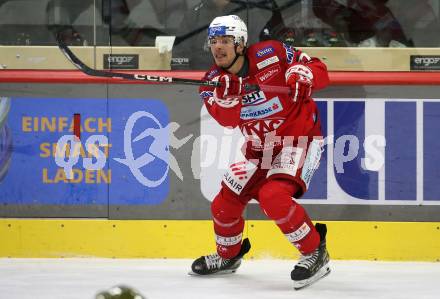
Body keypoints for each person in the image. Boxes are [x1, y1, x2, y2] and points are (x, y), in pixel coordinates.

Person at [192, 14, 331, 289]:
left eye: (226, 41)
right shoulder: (212, 82)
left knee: (273, 196)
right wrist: (229, 97)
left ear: (241, 44)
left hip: (299, 140)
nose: (218, 47)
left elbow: (320, 70)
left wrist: (305, 74)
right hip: (259, 149)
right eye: (214, 41)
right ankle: (228, 257)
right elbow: (228, 120)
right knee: (224, 203)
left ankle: (316, 252)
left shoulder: (273, 53)